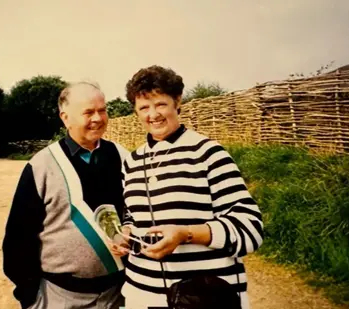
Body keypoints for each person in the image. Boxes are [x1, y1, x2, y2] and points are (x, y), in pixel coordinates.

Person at [111, 65, 264, 309]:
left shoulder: (208, 153)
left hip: (202, 298)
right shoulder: (132, 161)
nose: (153, 114)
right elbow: (132, 214)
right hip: (141, 294)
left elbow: (250, 228)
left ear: (177, 101)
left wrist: (187, 233)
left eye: (160, 104)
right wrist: (127, 233)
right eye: (144, 107)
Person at [2, 81, 130, 309]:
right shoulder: (42, 165)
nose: (98, 118)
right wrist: (30, 294)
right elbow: (18, 236)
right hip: (58, 296)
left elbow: (137, 211)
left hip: (117, 294)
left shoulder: (122, 157)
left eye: (102, 110)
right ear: (65, 118)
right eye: (88, 112)